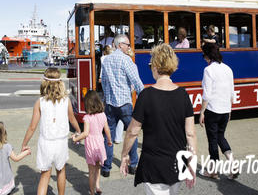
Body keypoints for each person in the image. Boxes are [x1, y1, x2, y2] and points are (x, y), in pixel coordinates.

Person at [120, 43, 197, 195]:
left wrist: (124, 155)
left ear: (155, 66)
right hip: (178, 163)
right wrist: (191, 163)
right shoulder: (183, 95)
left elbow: (132, 132)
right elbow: (190, 134)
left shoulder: (146, 96)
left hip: (153, 164)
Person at [21, 68, 81, 195]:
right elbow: (72, 119)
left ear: (45, 83)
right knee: (61, 171)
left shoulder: (40, 102)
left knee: (45, 176)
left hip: (46, 143)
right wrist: (78, 130)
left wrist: (24, 143)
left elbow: (32, 126)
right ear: (60, 82)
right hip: (61, 142)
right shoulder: (66, 101)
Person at [101, 34, 144, 177]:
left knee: (108, 136)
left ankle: (106, 168)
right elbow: (137, 82)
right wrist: (144, 100)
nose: (129, 47)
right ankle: (133, 165)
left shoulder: (106, 60)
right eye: (127, 44)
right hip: (124, 103)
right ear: (120, 45)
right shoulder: (126, 60)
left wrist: (106, 100)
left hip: (110, 105)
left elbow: (105, 83)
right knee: (131, 134)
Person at [199, 43, 237, 180]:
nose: (203, 58)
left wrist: (202, 112)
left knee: (213, 141)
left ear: (208, 56)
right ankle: (233, 164)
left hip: (212, 110)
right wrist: (230, 109)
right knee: (221, 136)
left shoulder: (208, 70)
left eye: (204, 55)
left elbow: (207, 94)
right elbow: (232, 92)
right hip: (225, 109)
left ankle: (213, 171)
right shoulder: (228, 69)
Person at [72, 90, 112, 195]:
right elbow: (107, 129)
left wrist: (76, 139)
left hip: (90, 146)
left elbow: (85, 133)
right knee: (98, 167)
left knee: (91, 171)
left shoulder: (87, 118)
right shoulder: (103, 115)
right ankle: (98, 186)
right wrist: (109, 140)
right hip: (100, 144)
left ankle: (92, 192)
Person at [0, 121, 31, 195]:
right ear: (2, 135)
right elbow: (16, 158)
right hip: (5, 180)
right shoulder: (6, 147)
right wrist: (26, 152)